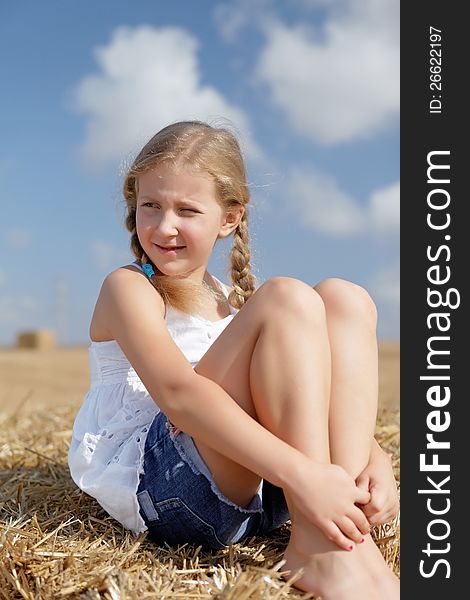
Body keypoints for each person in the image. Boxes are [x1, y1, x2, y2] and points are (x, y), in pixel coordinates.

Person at [68, 120, 399, 599]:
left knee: (344, 298)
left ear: (229, 219)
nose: (164, 227)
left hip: (263, 491)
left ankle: (344, 533)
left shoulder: (233, 302)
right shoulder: (128, 289)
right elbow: (181, 398)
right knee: (287, 297)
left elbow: (303, 393)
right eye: (150, 206)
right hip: (169, 487)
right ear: (133, 205)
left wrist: (375, 456)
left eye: (187, 210)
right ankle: (323, 546)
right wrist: (304, 475)